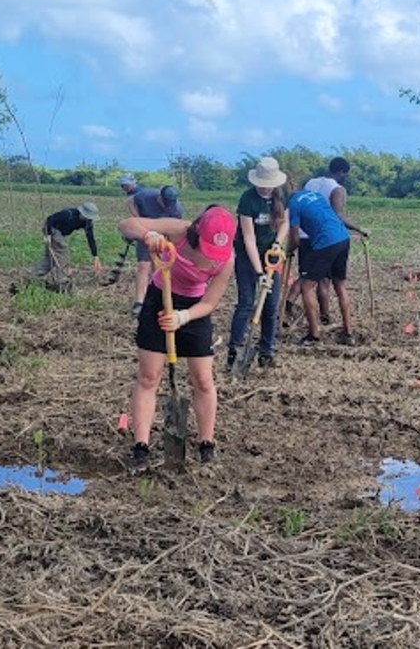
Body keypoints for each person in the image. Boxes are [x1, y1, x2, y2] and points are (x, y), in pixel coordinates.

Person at [117, 205, 237, 471]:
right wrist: (149, 235)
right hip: (159, 300)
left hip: (194, 310)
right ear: (197, 231)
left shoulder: (227, 259)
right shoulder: (179, 230)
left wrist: (183, 317)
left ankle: (207, 443)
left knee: (203, 379)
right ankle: (141, 447)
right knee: (149, 376)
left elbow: (210, 302)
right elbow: (126, 224)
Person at [227, 158, 290, 371]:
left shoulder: (282, 195)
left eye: (268, 183)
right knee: (246, 303)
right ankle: (235, 349)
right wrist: (259, 273)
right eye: (261, 183)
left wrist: (278, 245)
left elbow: (284, 223)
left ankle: (267, 351)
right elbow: (248, 238)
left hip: (271, 254)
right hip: (248, 256)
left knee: (271, 306)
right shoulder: (248, 199)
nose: (264, 187)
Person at [288, 187, 368, 346]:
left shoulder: (293, 204)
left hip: (325, 242)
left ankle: (314, 335)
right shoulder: (315, 194)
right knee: (340, 285)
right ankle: (348, 332)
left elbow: (295, 239)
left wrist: (288, 251)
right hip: (343, 238)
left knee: (306, 286)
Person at [285, 157, 354, 325]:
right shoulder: (337, 189)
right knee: (324, 281)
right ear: (341, 172)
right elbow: (337, 216)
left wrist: (289, 250)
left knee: (306, 277)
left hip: (308, 237)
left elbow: (294, 230)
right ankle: (325, 321)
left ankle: (289, 306)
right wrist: (358, 228)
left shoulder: (311, 183)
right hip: (328, 238)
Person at [121, 173, 184, 317]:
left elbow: (177, 228)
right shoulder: (146, 195)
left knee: (160, 269)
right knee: (143, 266)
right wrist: (138, 220)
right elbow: (130, 201)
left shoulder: (176, 208)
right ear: (159, 197)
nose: (166, 206)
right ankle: (139, 302)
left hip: (162, 237)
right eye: (164, 202)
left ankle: (160, 299)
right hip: (146, 234)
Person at [35, 202, 102, 291]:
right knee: (62, 253)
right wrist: (48, 236)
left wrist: (95, 256)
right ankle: (61, 282)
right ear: (82, 213)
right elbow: (49, 220)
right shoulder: (67, 214)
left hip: (60, 233)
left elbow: (91, 238)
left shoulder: (87, 222)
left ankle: (35, 274)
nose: (89, 219)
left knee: (49, 256)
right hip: (52, 228)